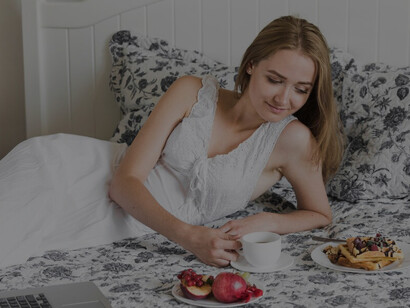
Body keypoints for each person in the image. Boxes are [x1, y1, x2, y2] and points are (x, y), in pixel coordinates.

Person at [109, 15, 344, 267]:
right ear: (251, 65)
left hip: (128, 222)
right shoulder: (191, 93)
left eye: (301, 89)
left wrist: (270, 220)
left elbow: (319, 214)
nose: (283, 99)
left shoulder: (294, 140)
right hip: (98, 177)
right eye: (274, 80)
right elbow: (123, 183)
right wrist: (188, 236)